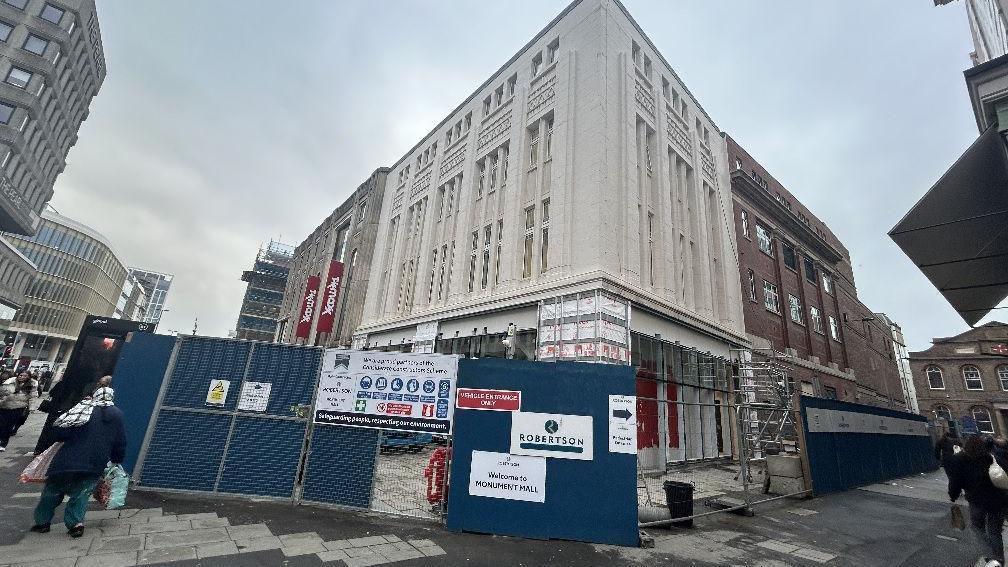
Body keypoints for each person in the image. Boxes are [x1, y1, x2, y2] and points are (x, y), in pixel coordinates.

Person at [31, 386, 124, 538]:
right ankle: (75, 524)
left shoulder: (83, 409)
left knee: (52, 491)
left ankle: (42, 522)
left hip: (68, 459)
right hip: (96, 461)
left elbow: (61, 433)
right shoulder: (117, 414)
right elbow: (119, 441)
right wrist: (117, 459)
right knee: (82, 493)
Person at [947, 435, 1008, 567]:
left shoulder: (960, 459)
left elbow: (955, 482)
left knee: (976, 527)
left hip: (976, 501)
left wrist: (953, 496)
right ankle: (999, 561)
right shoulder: (991, 457)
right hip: (997, 500)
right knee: (994, 531)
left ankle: (992, 559)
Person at [0, 371, 34, 451]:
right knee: (1, 425)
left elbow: (32, 398)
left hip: (18, 408)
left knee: (9, 426)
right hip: (4, 406)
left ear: (28, 377)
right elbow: (1, 393)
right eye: (20, 375)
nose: (22, 377)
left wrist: (31, 408)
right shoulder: (9, 382)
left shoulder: (30, 386)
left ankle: (3, 444)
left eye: (25, 376)